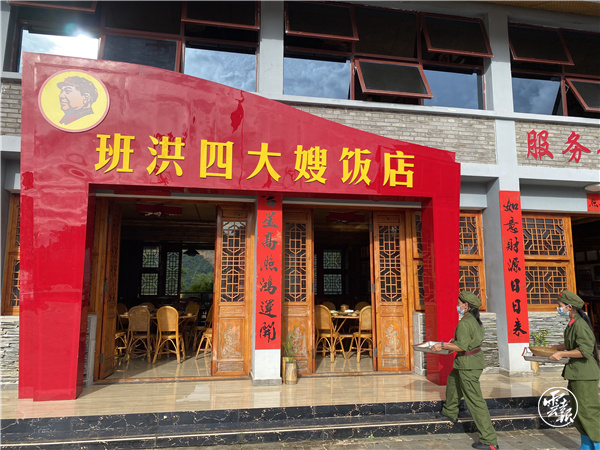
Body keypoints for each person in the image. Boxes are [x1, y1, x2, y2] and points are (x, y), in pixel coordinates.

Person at [432, 291, 499, 450]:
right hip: (471, 361)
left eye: (459, 303)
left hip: (468, 365)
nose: (458, 306)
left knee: (475, 401)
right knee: (453, 381)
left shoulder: (465, 323)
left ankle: (489, 440)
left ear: (466, 306)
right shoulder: (475, 321)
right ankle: (450, 411)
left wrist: (442, 345)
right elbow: (469, 340)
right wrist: (453, 342)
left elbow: (461, 346)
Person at [548, 290, 599, 450]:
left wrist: (561, 353)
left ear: (569, 307)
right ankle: (586, 446)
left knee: (588, 412)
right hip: (577, 373)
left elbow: (585, 350)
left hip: (584, 374)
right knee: (578, 411)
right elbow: (573, 344)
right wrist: (556, 347)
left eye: (560, 306)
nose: (558, 308)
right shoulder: (573, 323)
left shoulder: (579, 325)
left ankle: (597, 445)